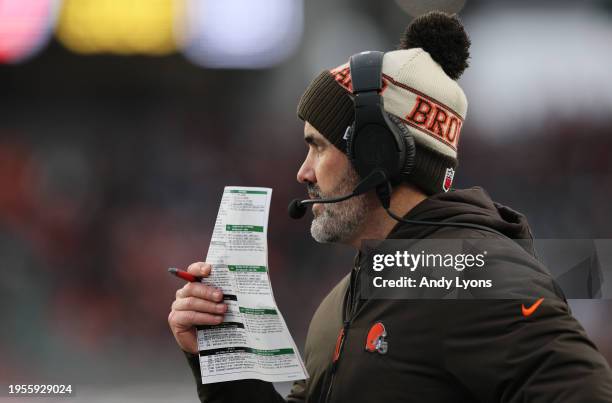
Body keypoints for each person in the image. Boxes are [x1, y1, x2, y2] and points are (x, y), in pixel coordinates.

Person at [168, 11, 612, 402]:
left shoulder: (475, 277)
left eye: (318, 147)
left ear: (378, 152)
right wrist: (223, 353)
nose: (304, 172)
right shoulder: (347, 298)